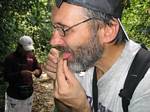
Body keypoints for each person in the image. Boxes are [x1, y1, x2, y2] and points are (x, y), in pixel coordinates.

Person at [44, 0, 150, 112]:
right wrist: (60, 82)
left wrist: (82, 108)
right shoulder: (83, 60)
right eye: (55, 28)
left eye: (65, 29)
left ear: (108, 30)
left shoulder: (145, 83)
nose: (53, 41)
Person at [3, 35, 42, 112]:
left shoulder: (31, 57)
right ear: (19, 47)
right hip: (14, 96)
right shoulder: (10, 58)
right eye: (26, 50)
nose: (28, 52)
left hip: (28, 94)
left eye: (29, 50)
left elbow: (38, 68)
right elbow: (6, 77)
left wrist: (38, 71)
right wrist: (20, 74)